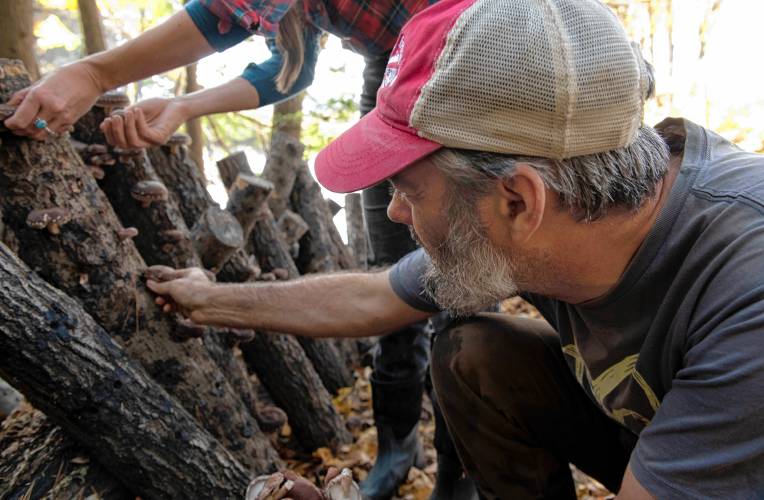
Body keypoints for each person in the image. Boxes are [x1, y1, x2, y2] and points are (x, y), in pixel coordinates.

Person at [144, 0, 764, 497]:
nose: (394, 212)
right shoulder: (563, 216)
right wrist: (206, 300)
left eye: (409, 189)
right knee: (474, 353)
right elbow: (372, 297)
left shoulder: (746, 291)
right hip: (663, 445)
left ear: (518, 200)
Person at [2, 1, 472, 498]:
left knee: (459, 287)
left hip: (464, 55)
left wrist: (94, 73)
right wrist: (186, 105)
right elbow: (289, 68)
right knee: (397, 270)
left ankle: (457, 470)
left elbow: (222, 13)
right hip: (391, 64)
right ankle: (397, 448)